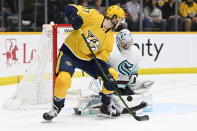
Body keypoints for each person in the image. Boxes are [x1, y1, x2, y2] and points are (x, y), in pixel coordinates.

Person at [42, 4, 125, 121]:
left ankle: (105, 107)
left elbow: (101, 61)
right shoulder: (94, 16)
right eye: (120, 19)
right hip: (70, 53)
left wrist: (107, 77)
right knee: (63, 79)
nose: (121, 23)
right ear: (114, 18)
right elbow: (69, 7)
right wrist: (74, 17)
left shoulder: (110, 38)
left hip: (88, 60)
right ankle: (56, 107)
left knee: (112, 75)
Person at [73, 29, 154, 116]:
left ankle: (114, 103)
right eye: (124, 43)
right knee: (109, 95)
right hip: (110, 82)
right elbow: (102, 67)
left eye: (129, 43)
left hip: (124, 84)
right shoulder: (110, 49)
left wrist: (131, 82)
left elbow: (134, 71)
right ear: (118, 41)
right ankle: (103, 106)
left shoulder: (135, 51)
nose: (127, 45)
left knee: (129, 95)